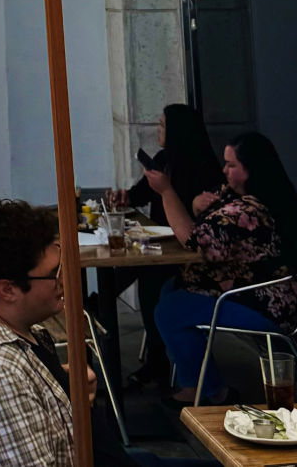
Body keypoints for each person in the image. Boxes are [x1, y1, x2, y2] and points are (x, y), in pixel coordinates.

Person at [0, 197, 113, 467]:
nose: (66, 280)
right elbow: (1, 392)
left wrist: (60, 388)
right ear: (7, 290)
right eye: (55, 272)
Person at [151, 131, 297, 403]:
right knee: (171, 291)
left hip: (265, 303)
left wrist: (166, 192)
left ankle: (208, 390)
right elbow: (207, 206)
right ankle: (197, 379)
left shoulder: (249, 210)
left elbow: (194, 240)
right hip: (248, 290)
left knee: (170, 310)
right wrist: (193, 203)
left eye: (231, 165)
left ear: (251, 169)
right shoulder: (248, 192)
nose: (224, 170)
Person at [115, 105, 223, 387]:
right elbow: (139, 194)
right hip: (163, 243)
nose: (158, 131)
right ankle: (97, 303)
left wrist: (173, 193)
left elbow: (207, 219)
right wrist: (123, 197)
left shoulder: (205, 167)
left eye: (162, 125)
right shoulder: (164, 159)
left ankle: (157, 359)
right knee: (137, 262)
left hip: (193, 252)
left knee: (151, 277)